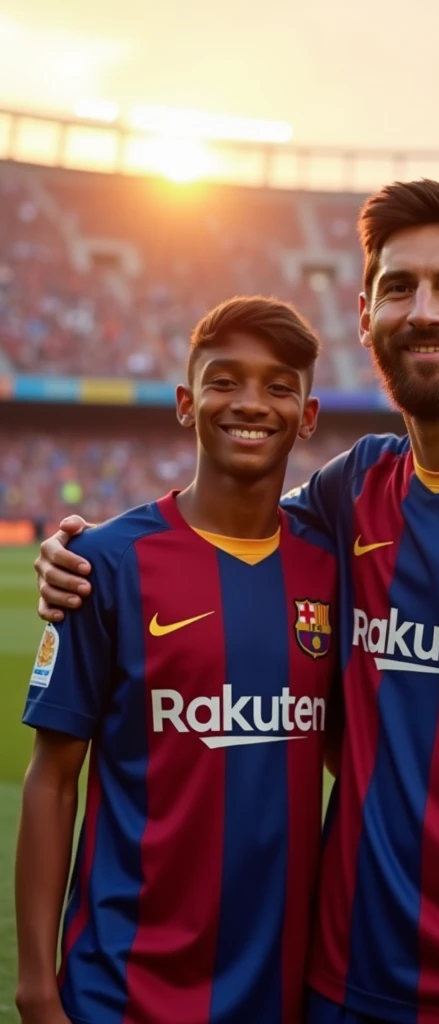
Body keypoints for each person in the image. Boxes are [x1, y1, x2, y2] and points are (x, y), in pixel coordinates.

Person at [32, 183, 439, 1024]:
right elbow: (222, 535)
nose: (424, 311)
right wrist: (82, 549)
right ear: (366, 315)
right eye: (399, 288)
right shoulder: (352, 493)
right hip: (343, 982)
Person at [16, 296, 340, 1024]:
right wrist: (37, 991)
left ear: (308, 415)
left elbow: (365, 754)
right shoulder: (102, 565)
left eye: (279, 386)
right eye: (224, 381)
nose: (251, 402)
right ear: (187, 404)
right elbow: (53, 780)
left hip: (286, 994)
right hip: (121, 993)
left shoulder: (333, 571)